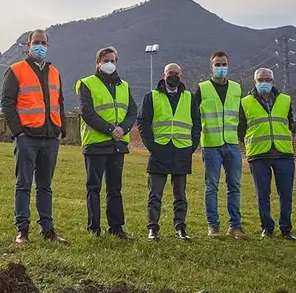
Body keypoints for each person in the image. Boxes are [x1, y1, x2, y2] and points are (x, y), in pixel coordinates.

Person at [1, 29, 68, 245]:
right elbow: (7, 103)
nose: (40, 45)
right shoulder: (16, 70)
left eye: (43, 42)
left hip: (50, 136)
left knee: (45, 186)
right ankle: (23, 230)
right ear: (28, 45)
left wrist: (61, 128)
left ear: (48, 46)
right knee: (24, 184)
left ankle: (48, 230)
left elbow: (60, 101)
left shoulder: (55, 72)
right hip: (27, 137)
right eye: (36, 42)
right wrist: (18, 132)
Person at [75, 47, 138, 240]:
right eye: (106, 60)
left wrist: (123, 129)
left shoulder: (124, 86)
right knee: (94, 187)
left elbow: (132, 111)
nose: (110, 63)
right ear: (98, 63)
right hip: (96, 144)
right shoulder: (87, 84)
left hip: (117, 146)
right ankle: (94, 228)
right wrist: (111, 130)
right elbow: (87, 112)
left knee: (115, 189)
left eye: (113, 60)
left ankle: (116, 228)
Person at [137, 63, 201, 241]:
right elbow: (142, 122)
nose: (174, 76)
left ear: (181, 76)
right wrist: (151, 145)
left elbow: (197, 123)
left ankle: (180, 228)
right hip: (159, 150)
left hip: (182, 151)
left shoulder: (190, 97)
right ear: (163, 75)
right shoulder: (151, 96)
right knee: (155, 194)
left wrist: (192, 146)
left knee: (180, 195)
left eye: (177, 73)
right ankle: (153, 228)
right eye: (170, 73)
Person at [239, 68, 296, 241]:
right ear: (254, 82)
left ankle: (286, 229)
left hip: (283, 153)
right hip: (258, 154)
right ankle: (267, 227)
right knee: (262, 193)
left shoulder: (285, 100)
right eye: (261, 79)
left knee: (286, 194)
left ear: (273, 81)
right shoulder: (245, 102)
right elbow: (241, 127)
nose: (264, 82)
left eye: (267, 79)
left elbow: (291, 123)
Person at [196, 51, 247, 239]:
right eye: (217, 64)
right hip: (211, 145)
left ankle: (235, 226)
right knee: (212, 186)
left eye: (223, 64)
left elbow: (241, 116)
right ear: (211, 66)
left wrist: (240, 136)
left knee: (234, 186)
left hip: (232, 144)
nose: (221, 68)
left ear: (228, 64)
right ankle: (213, 226)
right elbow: (195, 115)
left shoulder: (236, 88)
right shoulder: (202, 89)